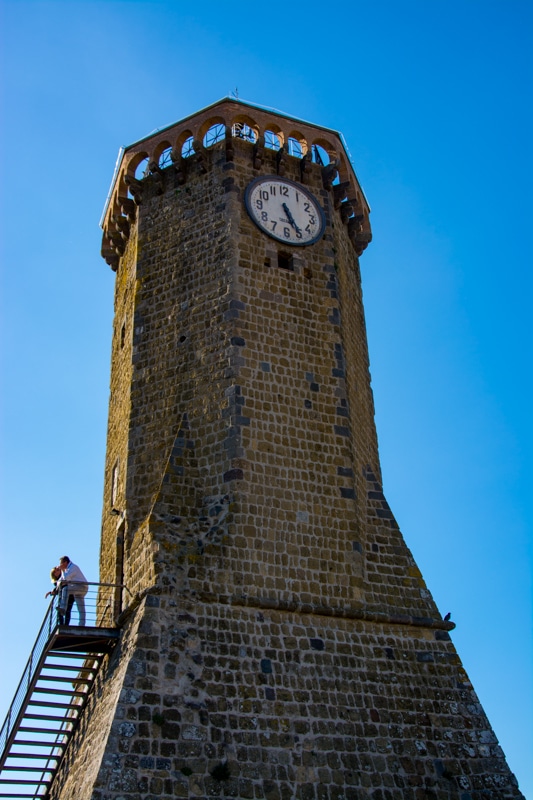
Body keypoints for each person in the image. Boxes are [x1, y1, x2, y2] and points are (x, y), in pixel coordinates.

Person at [59, 556, 89, 626]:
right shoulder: (68, 569)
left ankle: (63, 608)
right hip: (77, 588)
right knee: (81, 608)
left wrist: (63, 570)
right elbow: (63, 579)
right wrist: (63, 571)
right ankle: (82, 625)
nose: (60, 565)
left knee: (66, 589)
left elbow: (66, 578)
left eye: (61, 563)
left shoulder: (73, 567)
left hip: (81, 586)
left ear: (65, 562)